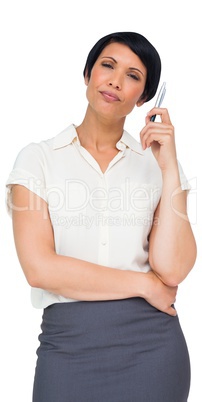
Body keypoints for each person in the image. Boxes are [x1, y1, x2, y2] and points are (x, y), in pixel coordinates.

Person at [6, 31, 196, 402]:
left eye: (133, 75)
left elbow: (172, 269)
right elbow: (40, 269)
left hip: (152, 347)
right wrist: (144, 285)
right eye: (107, 66)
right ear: (88, 74)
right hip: (68, 345)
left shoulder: (157, 165)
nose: (115, 80)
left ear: (143, 98)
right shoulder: (38, 158)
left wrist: (170, 166)